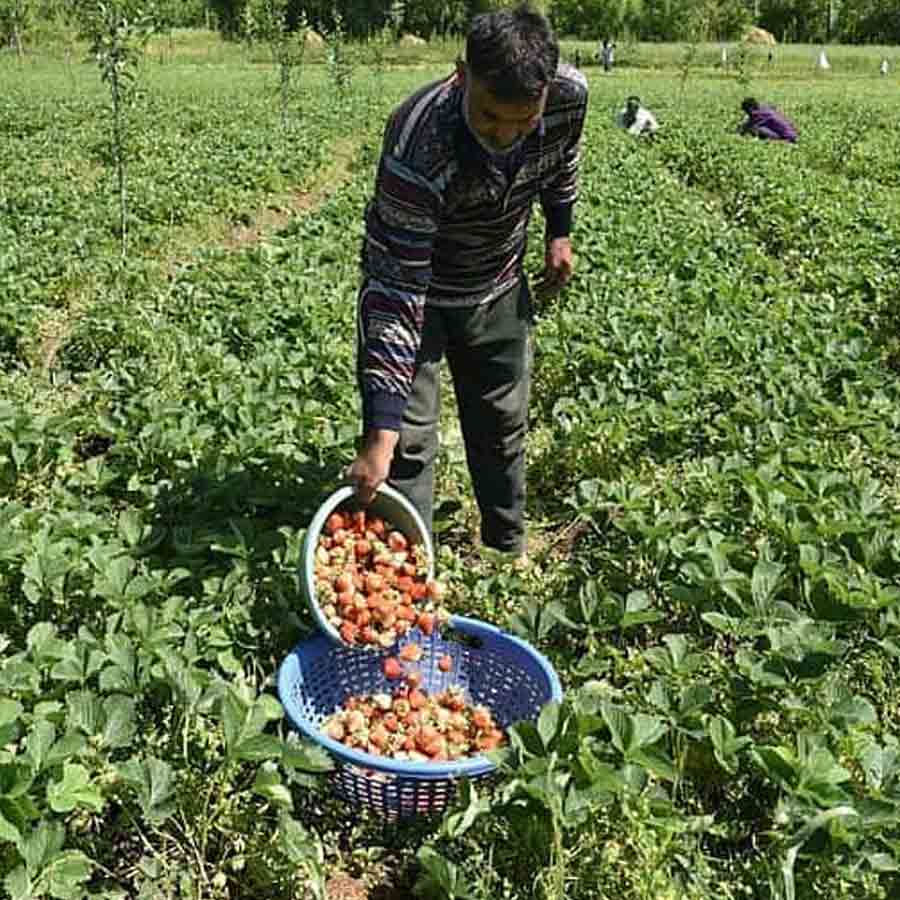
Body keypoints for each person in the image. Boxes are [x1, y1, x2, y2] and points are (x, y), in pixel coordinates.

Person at [347, 5, 588, 560]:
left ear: (547, 91)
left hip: (497, 279)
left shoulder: (569, 98)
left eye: (521, 122)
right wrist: (378, 436)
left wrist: (559, 229)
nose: (504, 136)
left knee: (502, 421)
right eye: (487, 118)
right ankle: (407, 578)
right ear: (462, 75)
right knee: (405, 443)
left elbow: (562, 156)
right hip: (421, 290)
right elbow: (398, 288)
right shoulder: (419, 140)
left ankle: (504, 552)